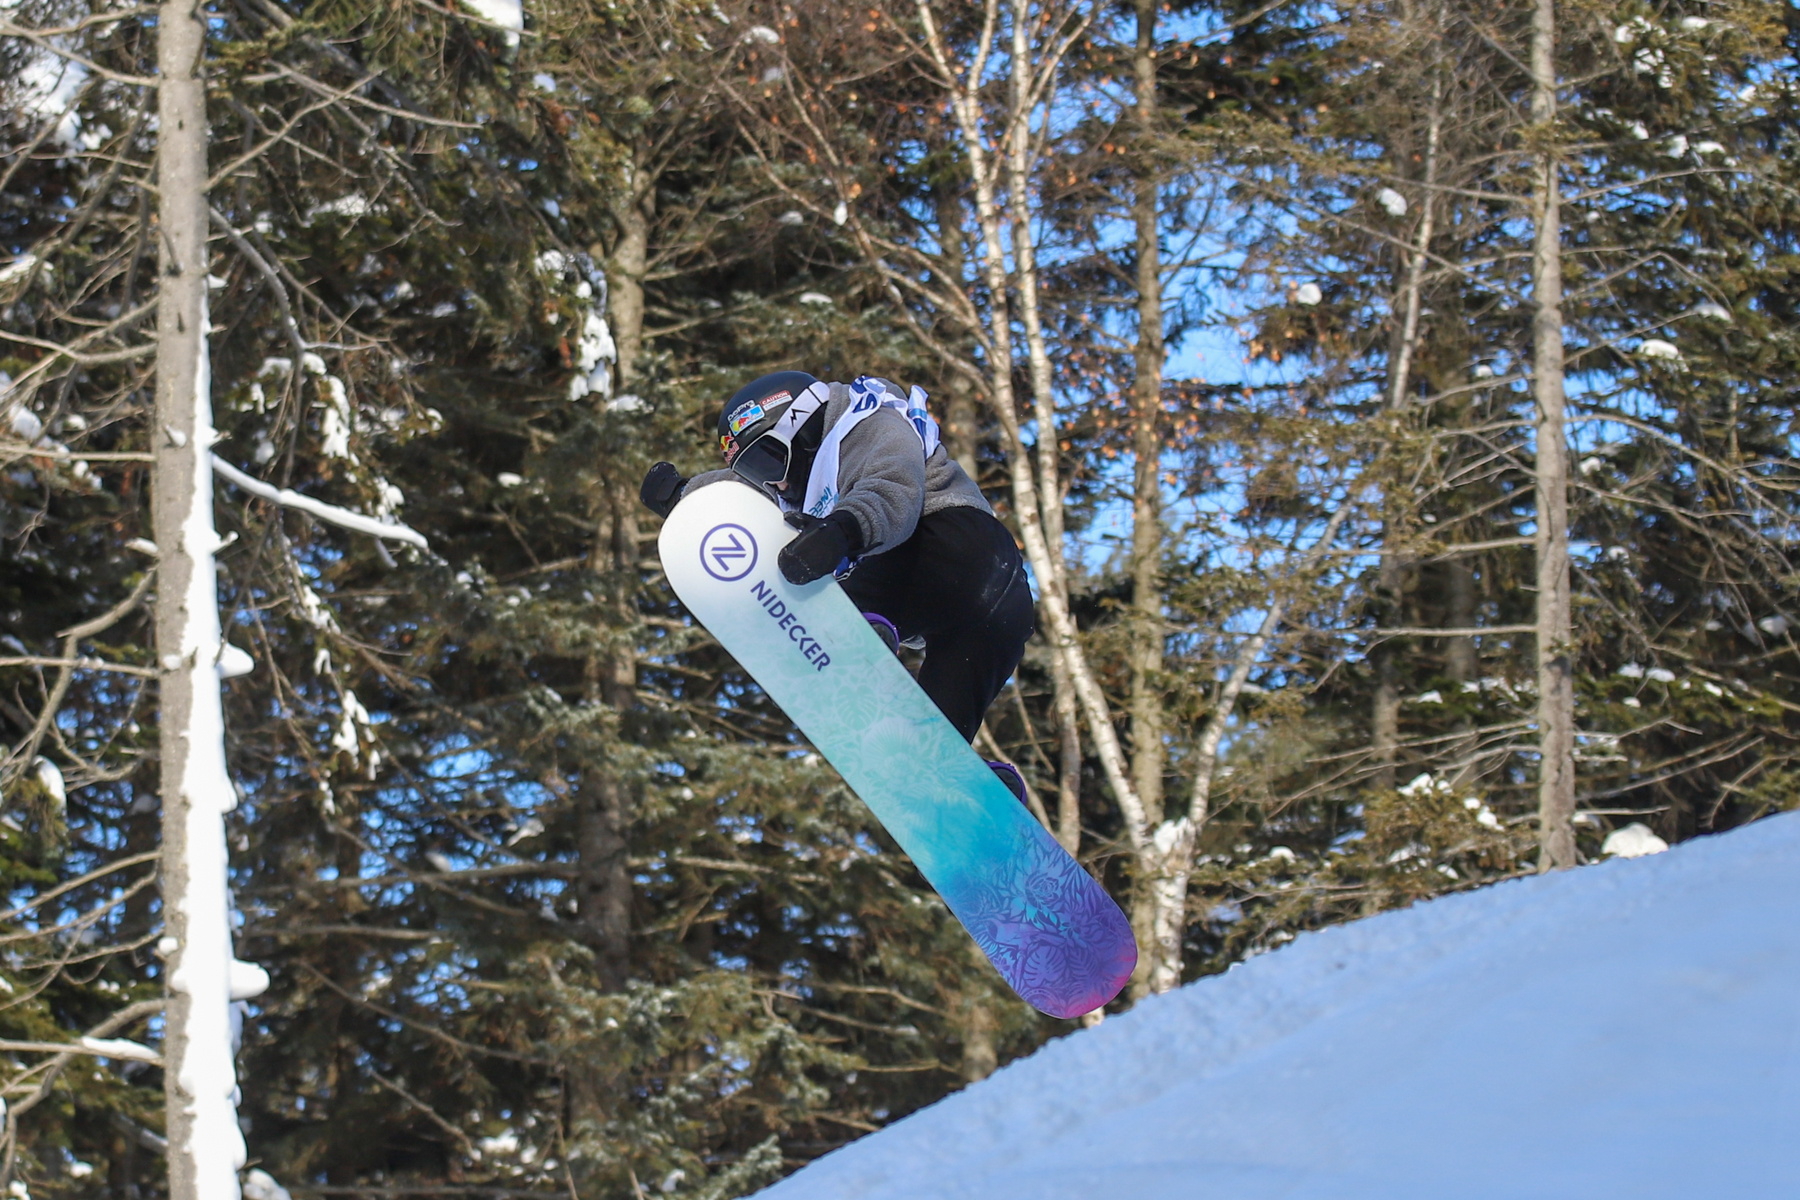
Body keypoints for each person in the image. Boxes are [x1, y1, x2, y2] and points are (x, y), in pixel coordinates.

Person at [640, 371, 1035, 803]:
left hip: (958, 549)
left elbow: (893, 487)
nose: (775, 482)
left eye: (768, 461)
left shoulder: (866, 421)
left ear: (801, 423)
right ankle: (974, 794)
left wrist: (842, 533)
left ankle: (858, 630)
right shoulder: (788, 483)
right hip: (999, 619)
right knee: (933, 740)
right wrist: (682, 498)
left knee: (850, 577)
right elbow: (734, 494)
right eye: (755, 471)